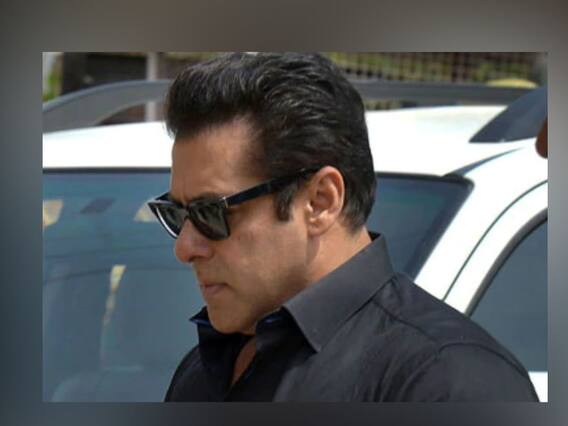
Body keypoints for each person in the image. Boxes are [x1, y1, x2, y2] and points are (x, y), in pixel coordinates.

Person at [147, 52, 539, 401]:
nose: (185, 248)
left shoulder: (448, 381)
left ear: (320, 201)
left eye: (211, 212)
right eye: (178, 214)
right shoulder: (204, 369)